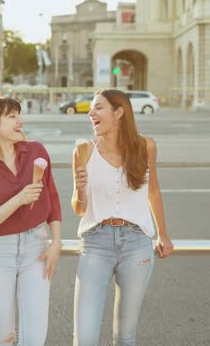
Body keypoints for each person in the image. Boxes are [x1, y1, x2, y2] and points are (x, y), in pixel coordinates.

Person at [72, 89, 173, 346]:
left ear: (118, 113)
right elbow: (79, 208)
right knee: (85, 337)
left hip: (137, 243)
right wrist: (80, 189)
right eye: (91, 109)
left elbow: (153, 190)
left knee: (125, 337)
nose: (91, 113)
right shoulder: (83, 149)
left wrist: (163, 233)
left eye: (98, 108)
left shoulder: (146, 146)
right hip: (95, 243)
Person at [0, 97, 62, 346]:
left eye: (19, 114)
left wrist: (56, 243)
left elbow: (52, 196)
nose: (21, 121)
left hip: (36, 251)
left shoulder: (37, 151)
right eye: (12, 116)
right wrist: (18, 199)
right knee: (3, 341)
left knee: (34, 340)